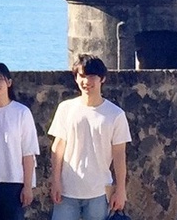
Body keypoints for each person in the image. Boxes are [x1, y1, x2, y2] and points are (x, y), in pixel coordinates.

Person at [47, 55, 131, 220]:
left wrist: (121, 190)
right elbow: (58, 147)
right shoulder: (65, 108)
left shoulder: (116, 114)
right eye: (82, 76)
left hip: (99, 192)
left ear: (102, 79)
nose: (86, 81)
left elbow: (119, 155)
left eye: (92, 76)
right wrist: (55, 181)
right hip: (67, 190)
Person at [0, 63, 39, 220]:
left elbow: (28, 152)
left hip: (13, 182)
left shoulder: (22, 112)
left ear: (9, 82)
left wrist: (28, 187)